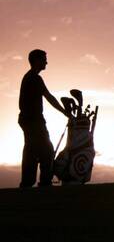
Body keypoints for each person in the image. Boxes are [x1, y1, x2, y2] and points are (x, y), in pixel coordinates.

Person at [18, 49, 68, 188]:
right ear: (37, 60)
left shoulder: (30, 77)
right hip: (33, 121)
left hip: (28, 120)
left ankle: (28, 183)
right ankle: (44, 183)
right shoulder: (34, 78)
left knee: (32, 152)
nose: (46, 62)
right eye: (44, 59)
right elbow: (49, 97)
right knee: (46, 151)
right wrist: (64, 112)